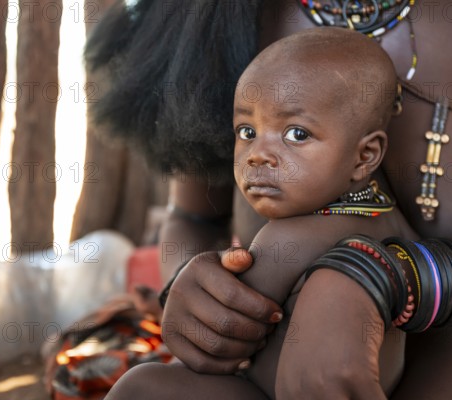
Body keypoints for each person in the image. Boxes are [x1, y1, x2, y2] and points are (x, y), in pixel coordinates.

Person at [85, 0, 452, 398]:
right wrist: (197, 298)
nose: (259, 153)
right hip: (267, 349)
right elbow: (190, 217)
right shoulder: (218, 14)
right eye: (248, 132)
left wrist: (381, 277)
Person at [106, 26, 413, 399]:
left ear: (365, 156)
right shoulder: (391, 220)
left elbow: (217, 345)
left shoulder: (289, 238)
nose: (257, 155)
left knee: (141, 385)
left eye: (296, 134)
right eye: (248, 130)